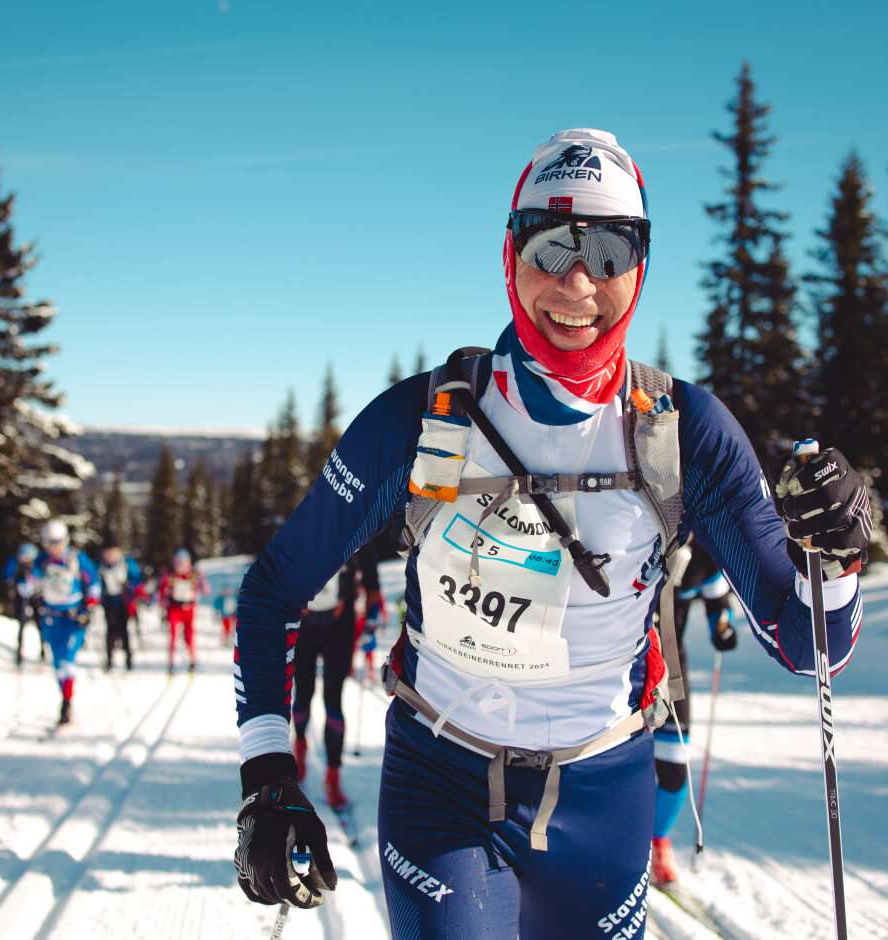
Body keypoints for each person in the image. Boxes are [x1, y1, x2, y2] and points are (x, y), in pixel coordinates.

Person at [231, 128, 870, 936]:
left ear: (640, 266)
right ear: (511, 254)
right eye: (551, 244)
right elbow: (273, 590)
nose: (577, 282)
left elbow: (808, 645)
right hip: (441, 787)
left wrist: (837, 557)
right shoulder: (420, 420)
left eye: (609, 250)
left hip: (604, 797)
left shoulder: (684, 432)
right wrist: (266, 774)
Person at [651, 537, 737, 887]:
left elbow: (718, 603)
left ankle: (658, 839)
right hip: (619, 670)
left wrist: (723, 627)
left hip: (670, 672)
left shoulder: (704, 551)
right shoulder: (639, 532)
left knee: (673, 768)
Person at [290, 545, 381, 809]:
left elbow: (372, 584)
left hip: (340, 627)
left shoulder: (357, 531)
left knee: (333, 699)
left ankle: (332, 777)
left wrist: (370, 624)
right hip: (304, 624)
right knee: (303, 694)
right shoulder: (303, 529)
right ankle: (299, 750)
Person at [33, 520, 100, 725]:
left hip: (73, 618)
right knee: (58, 661)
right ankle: (65, 695)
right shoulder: (41, 562)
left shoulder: (77, 559)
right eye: (50, 543)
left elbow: (93, 584)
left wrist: (88, 608)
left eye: (58, 542)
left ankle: (66, 703)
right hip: (51, 618)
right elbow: (29, 586)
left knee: (67, 661)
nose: (54, 547)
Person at [158, 548, 208, 674]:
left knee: (189, 636)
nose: (181, 566)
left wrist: (202, 580)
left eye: (184, 563)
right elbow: (162, 592)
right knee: (173, 635)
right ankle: (171, 662)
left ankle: (192, 660)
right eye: (178, 563)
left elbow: (206, 590)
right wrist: (163, 602)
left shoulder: (193, 575)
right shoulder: (170, 576)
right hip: (174, 609)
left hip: (189, 610)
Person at [99, 542, 142, 671]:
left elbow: (137, 579)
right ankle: (109, 660)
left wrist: (129, 586)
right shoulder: (102, 567)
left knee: (123, 631)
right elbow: (96, 583)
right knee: (110, 632)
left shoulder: (127, 563)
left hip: (124, 603)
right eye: (108, 553)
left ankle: (128, 659)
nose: (110, 556)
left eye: (113, 552)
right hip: (108, 603)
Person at [3, 542, 43, 667]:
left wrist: (36, 583)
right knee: (21, 622)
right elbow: (7, 576)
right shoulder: (14, 563)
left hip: (35, 595)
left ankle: (43, 651)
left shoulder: (37, 564)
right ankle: (19, 654)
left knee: (39, 622)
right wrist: (14, 582)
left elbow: (42, 575)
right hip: (20, 595)